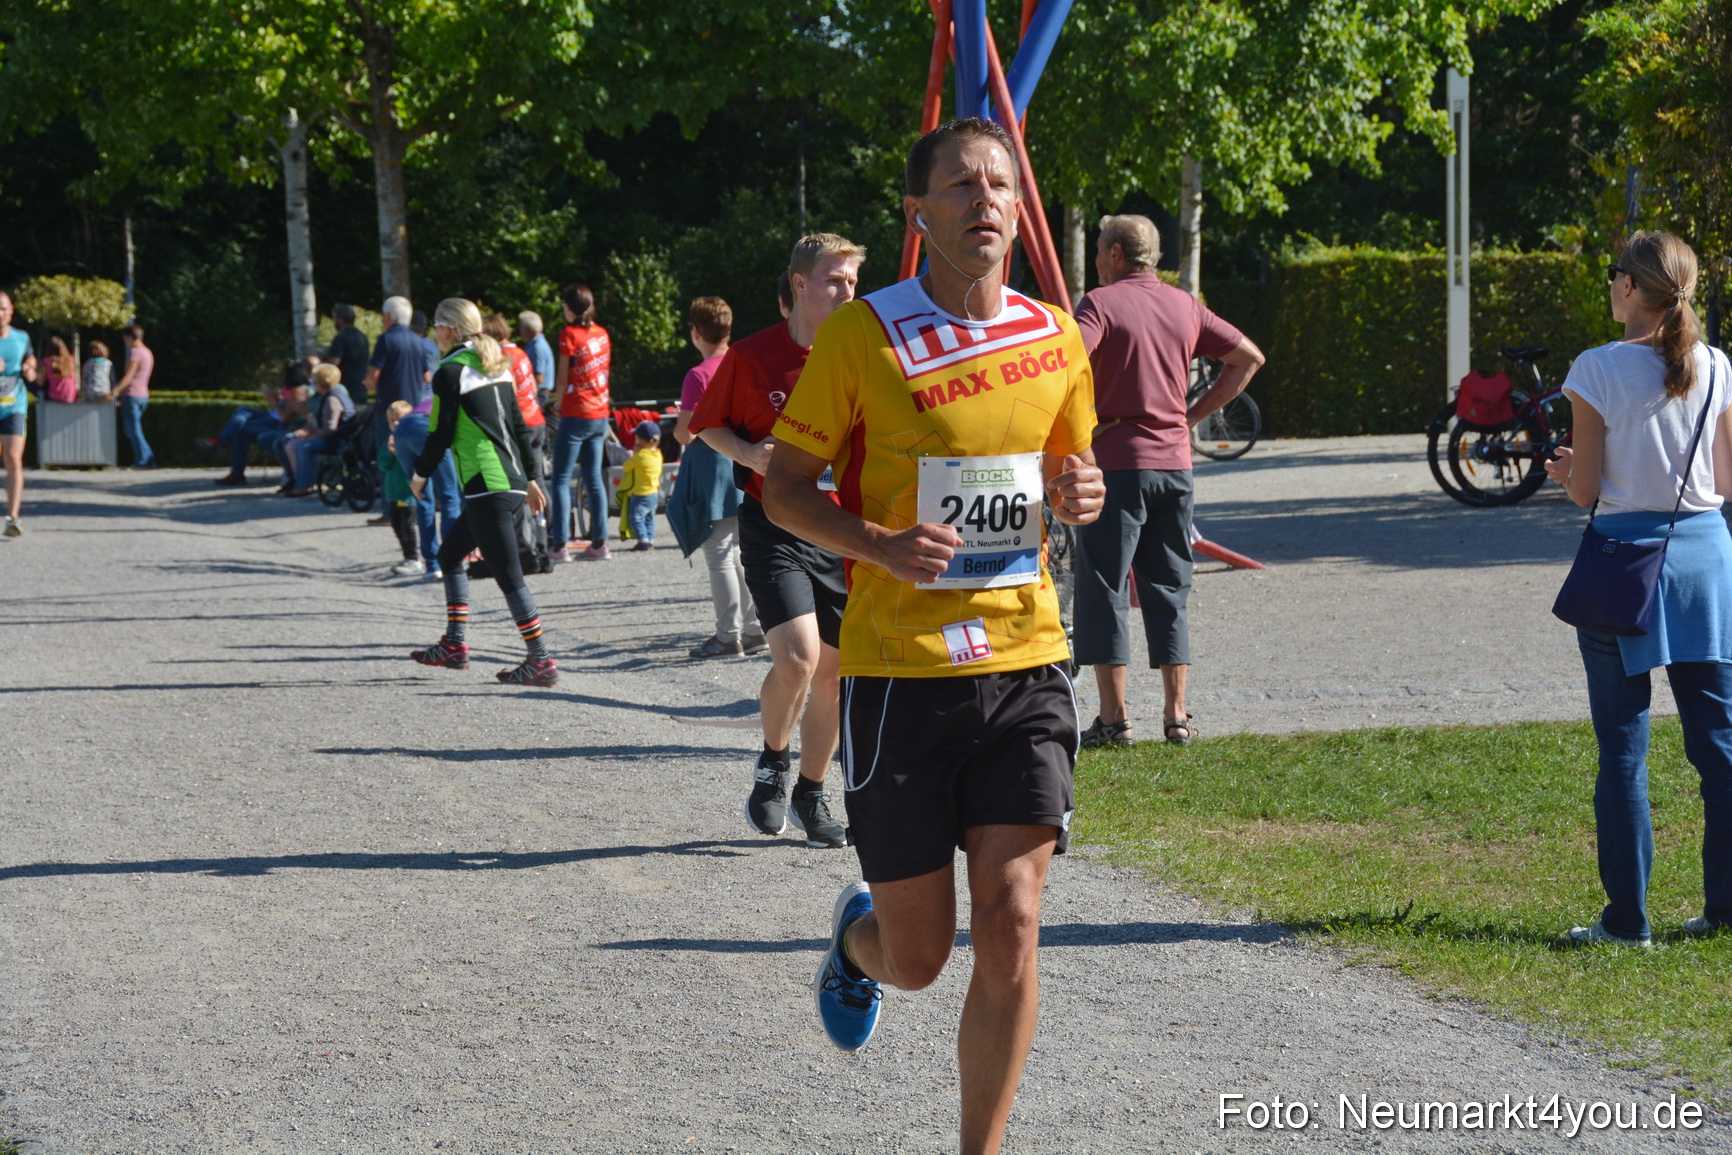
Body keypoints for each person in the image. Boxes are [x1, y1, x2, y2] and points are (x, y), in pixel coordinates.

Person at [763, 117, 1104, 1154]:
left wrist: (1079, 490)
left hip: (1025, 660)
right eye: (959, 185)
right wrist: (874, 540)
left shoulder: (1056, 336)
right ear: (920, 215)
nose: (984, 201)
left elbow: (1065, 476)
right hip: (898, 676)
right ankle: (855, 945)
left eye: (999, 185)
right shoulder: (865, 335)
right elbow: (783, 491)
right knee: (920, 958)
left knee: (1010, 923)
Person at [1543, 231, 1732, 947]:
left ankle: (1627, 921)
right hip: (1707, 560)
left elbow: (1588, 487)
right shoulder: (1716, 365)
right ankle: (1725, 909)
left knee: (1623, 747)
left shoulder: (1596, 368)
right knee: (1720, 745)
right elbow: (1727, 478)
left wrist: (1564, 475)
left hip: (1627, 561)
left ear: (1629, 287)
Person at [690, 234, 865, 850]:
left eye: (852, 281)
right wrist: (747, 452)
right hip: (776, 525)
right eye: (834, 281)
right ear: (799, 284)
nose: (848, 292)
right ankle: (772, 763)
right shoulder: (752, 356)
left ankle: (812, 794)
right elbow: (702, 424)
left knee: (835, 675)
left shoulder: (864, 355)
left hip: (844, 531)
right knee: (798, 659)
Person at [1070, 213, 1264, 748]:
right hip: (1175, 467)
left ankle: (1114, 721)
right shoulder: (1184, 305)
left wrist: (1088, 423)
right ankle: (1176, 717)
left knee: (1105, 587)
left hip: (1116, 468)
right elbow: (1248, 358)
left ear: (1113, 254)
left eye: (1099, 250)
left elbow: (1063, 365)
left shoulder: (1100, 304)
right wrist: (1191, 415)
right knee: (1169, 586)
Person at [408, 297, 556, 687]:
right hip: (506, 482)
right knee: (450, 554)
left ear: (451, 329)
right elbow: (521, 430)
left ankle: (540, 659)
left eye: (436, 324)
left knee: (509, 577)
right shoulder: (496, 365)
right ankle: (454, 644)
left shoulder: (449, 371)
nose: (433, 331)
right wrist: (532, 478)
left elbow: (439, 432)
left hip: (485, 485)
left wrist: (419, 474)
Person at [670, 295, 765, 659]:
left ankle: (728, 636)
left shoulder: (698, 375)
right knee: (745, 553)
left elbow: (686, 433)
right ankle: (756, 629)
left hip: (714, 472)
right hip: (747, 465)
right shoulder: (744, 362)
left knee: (720, 555)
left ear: (695, 333)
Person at [368, 295, 460, 578]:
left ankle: (428, 561)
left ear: (387, 316)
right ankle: (453, 562)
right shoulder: (422, 345)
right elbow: (426, 378)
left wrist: (372, 389)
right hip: (420, 412)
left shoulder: (387, 339)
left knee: (419, 491)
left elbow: (373, 376)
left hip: (398, 416)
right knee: (449, 494)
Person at [548, 282, 613, 562]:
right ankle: (600, 543)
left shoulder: (568, 334)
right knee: (594, 478)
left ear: (568, 308)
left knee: (561, 479)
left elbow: (562, 379)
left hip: (575, 413)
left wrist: (556, 404)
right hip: (600, 412)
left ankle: (559, 545)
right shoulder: (602, 333)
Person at [0, 289, 38, 537]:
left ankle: (13, 518)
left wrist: (30, 368)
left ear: (11, 311)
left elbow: (31, 360)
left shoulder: (21, 338)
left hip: (14, 406)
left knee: (13, 459)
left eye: (3, 308)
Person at [283, 363, 350, 496]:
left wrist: (313, 435)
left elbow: (330, 428)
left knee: (302, 446)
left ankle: (304, 485)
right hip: (334, 437)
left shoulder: (332, 399)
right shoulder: (330, 394)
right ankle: (295, 480)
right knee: (290, 441)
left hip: (337, 440)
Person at [488, 313, 547, 464]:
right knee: (536, 479)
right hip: (536, 419)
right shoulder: (521, 352)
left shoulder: (502, 355)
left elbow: (509, 393)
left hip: (521, 423)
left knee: (518, 480)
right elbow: (533, 388)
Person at [110, 325, 158, 468]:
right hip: (143, 395)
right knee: (132, 430)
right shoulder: (148, 352)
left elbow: (128, 377)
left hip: (132, 395)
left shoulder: (135, 352)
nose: (125, 342)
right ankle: (148, 459)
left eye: (126, 339)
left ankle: (144, 460)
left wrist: (113, 392)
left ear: (132, 338)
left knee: (134, 431)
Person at [381, 401, 420, 566]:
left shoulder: (411, 441)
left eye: (399, 419)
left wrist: (400, 453)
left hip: (408, 492)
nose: (395, 423)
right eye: (392, 420)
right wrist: (390, 454)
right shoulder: (388, 441)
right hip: (393, 492)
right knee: (396, 525)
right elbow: (382, 464)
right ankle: (406, 555)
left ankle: (413, 557)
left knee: (408, 526)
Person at [617, 419, 663, 550]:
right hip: (653, 494)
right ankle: (650, 539)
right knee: (649, 518)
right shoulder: (658, 454)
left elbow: (626, 467)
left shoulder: (640, 456)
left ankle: (643, 541)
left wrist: (633, 454)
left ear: (640, 440)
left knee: (636, 518)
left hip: (640, 494)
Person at [326, 304, 372, 405]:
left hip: (345, 392)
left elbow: (332, 365)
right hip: (361, 390)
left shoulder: (341, 338)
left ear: (340, 319)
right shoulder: (363, 337)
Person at [518, 310, 555, 410]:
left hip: (540, 395)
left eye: (521, 327)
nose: (520, 330)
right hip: (540, 393)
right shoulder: (535, 344)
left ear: (528, 330)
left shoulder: (537, 347)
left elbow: (539, 378)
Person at [42, 336, 77, 403]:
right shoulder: (70, 360)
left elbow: (41, 381)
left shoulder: (47, 361)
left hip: (54, 396)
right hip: (71, 396)